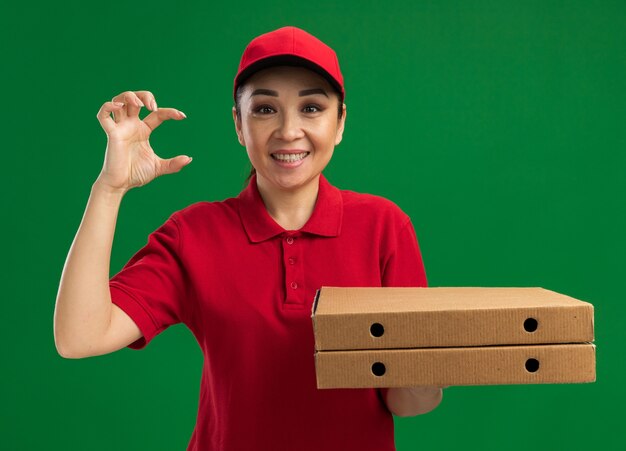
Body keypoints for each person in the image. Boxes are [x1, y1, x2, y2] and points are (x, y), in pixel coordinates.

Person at [54, 26, 444, 451]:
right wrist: (109, 189)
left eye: (312, 107)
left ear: (340, 123)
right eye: (264, 109)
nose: (289, 130)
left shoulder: (384, 227)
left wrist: (428, 375)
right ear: (238, 124)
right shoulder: (195, 234)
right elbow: (79, 337)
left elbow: (406, 402)